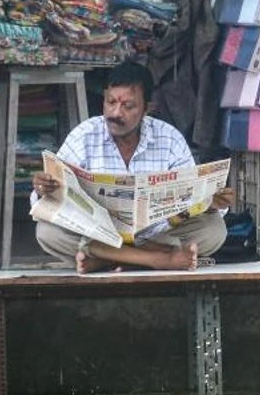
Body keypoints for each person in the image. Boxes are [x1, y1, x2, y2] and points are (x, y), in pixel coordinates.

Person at [32, 61, 233, 273]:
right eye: (110, 102)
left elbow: (191, 199)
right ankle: (156, 260)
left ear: (147, 108)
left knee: (214, 230)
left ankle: (109, 260)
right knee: (47, 231)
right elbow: (51, 204)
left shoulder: (169, 138)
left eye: (128, 106)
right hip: (101, 235)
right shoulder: (84, 136)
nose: (116, 113)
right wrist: (44, 189)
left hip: (153, 235)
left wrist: (211, 202)